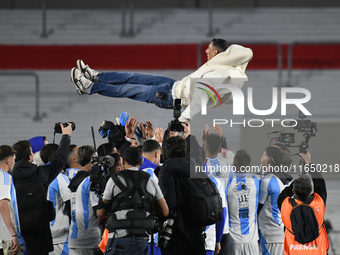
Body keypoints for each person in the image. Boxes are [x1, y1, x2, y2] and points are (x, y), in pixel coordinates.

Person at [70, 39, 253, 122]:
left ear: (216, 52)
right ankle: (95, 76)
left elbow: (200, 99)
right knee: (131, 76)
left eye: (208, 49)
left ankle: (90, 88)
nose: (205, 52)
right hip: (172, 84)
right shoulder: (220, 67)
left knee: (127, 89)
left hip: (169, 96)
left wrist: (183, 119)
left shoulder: (221, 74)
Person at [12, 123, 73, 255]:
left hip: (16, 233)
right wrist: (66, 136)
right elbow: (60, 159)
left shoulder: (8, 177)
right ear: (30, 156)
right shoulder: (42, 174)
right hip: (40, 234)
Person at [96, 147, 169, 255]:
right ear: (141, 162)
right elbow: (165, 212)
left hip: (118, 238)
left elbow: (101, 213)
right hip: (142, 239)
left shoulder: (114, 180)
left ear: (123, 161)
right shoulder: (150, 180)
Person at [156, 134, 206, 255]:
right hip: (197, 235)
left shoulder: (166, 170)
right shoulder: (196, 168)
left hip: (175, 236)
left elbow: (170, 203)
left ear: (165, 154)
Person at [278, 150, 329, 255]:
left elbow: (283, 194)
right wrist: (308, 161)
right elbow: (319, 182)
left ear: (293, 191)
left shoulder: (285, 205)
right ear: (311, 190)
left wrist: (296, 182)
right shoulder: (318, 202)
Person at [68, 145, 101, 255]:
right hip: (90, 240)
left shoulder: (74, 180)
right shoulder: (90, 181)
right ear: (91, 160)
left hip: (74, 238)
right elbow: (98, 212)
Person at [226, 149, 260, 255]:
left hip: (233, 241)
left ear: (233, 164)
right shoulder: (257, 181)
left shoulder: (227, 182)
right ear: (249, 165)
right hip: (252, 242)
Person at [39, 144, 71, 255]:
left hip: (47, 235)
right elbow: (71, 203)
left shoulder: (39, 174)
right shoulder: (59, 177)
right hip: (61, 238)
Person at [202, 133, 228, 255]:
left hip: (199, 230)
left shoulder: (193, 170)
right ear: (219, 149)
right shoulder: (228, 167)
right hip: (222, 226)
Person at [258, 147, 285, 255]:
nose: (261, 158)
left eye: (263, 155)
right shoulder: (284, 179)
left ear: (267, 161)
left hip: (269, 235)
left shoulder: (267, 180)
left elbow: (257, 207)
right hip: (279, 232)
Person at [0, 145, 25, 255]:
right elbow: (3, 205)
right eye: (14, 160)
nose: (14, 163)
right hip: (4, 239)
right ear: (8, 161)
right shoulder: (4, 177)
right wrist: (14, 235)